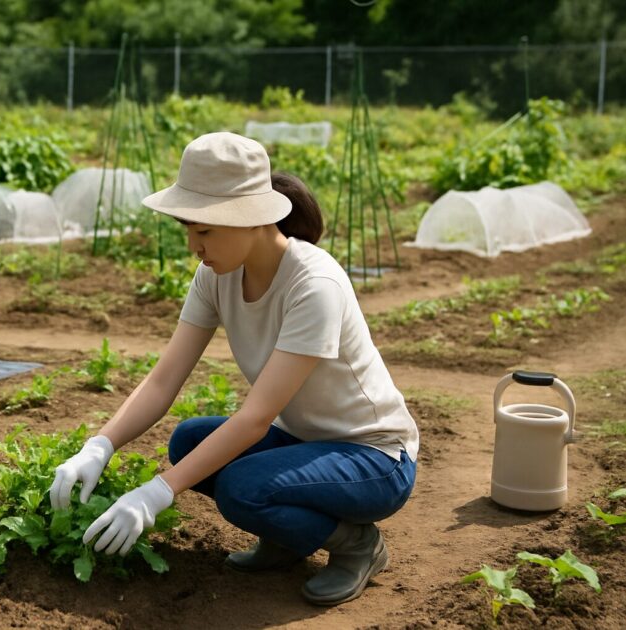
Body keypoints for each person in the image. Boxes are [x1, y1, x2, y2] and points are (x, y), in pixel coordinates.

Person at [48, 132, 419, 606]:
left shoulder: (314, 284)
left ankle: (357, 545)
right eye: (188, 229)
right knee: (189, 442)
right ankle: (287, 538)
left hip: (374, 458)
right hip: (308, 442)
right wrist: (99, 445)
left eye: (204, 231)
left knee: (242, 489)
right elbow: (164, 378)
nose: (193, 246)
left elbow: (255, 419)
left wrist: (156, 492)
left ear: (252, 218)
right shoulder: (215, 277)